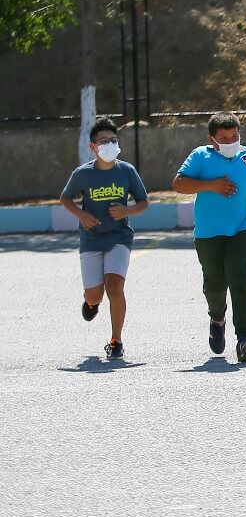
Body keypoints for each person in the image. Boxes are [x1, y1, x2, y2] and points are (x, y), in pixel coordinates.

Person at [172, 112, 246, 363]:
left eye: (234, 136)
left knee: (241, 276)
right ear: (212, 139)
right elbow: (179, 183)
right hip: (209, 233)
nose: (230, 141)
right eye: (223, 138)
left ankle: (244, 337)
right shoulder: (200, 157)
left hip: (244, 228)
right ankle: (217, 318)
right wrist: (211, 185)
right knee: (214, 283)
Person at [60, 117, 149, 359]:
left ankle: (116, 339)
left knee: (115, 286)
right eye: (103, 141)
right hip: (91, 239)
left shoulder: (126, 171)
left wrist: (127, 211)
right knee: (95, 294)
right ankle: (91, 304)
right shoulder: (83, 174)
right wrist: (82, 215)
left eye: (113, 140)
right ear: (93, 146)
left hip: (119, 236)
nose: (109, 144)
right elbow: (65, 198)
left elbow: (143, 202)